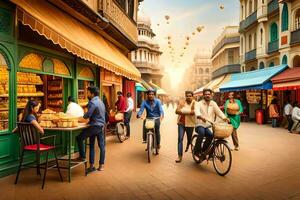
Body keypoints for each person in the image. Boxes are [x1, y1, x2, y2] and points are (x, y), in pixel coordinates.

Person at [76, 86, 106, 172]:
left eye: (88, 92)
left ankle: (82, 157)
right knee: (101, 146)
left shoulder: (92, 102)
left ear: (92, 94)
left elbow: (88, 115)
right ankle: (100, 165)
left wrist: (81, 117)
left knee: (79, 138)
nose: (87, 94)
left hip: (94, 126)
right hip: (100, 126)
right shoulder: (100, 102)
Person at [194, 89, 229, 160]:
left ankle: (204, 151)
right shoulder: (198, 103)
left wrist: (225, 118)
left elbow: (219, 112)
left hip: (208, 125)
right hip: (199, 124)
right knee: (201, 133)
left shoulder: (213, 103)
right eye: (206, 94)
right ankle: (196, 151)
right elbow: (196, 111)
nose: (207, 95)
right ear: (203, 95)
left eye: (209, 94)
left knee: (211, 135)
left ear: (211, 95)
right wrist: (200, 116)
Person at [175, 91, 196, 163]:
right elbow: (177, 111)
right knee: (180, 139)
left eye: (190, 96)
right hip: (181, 123)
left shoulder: (195, 103)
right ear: (185, 96)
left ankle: (188, 144)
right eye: (187, 96)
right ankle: (179, 156)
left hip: (190, 124)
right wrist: (189, 112)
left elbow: (194, 112)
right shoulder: (182, 102)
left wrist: (183, 111)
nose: (188, 97)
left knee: (189, 139)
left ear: (192, 97)